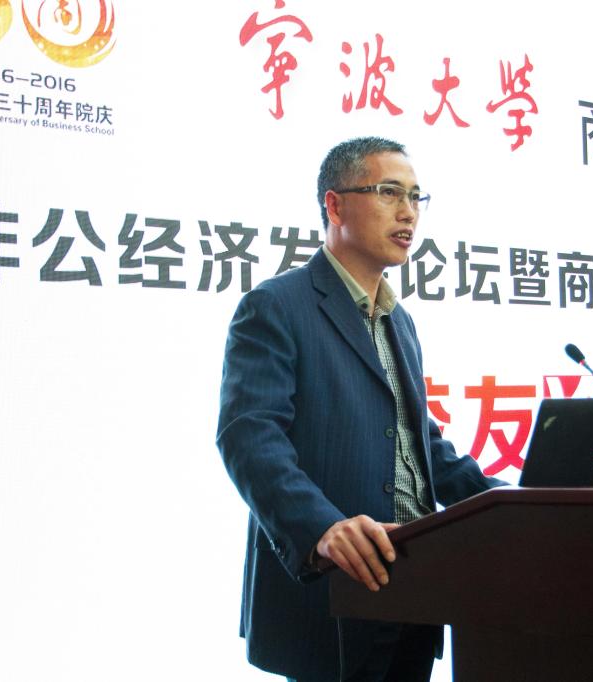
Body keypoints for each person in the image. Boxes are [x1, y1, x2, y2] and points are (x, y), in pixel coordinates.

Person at [216, 136, 502, 681]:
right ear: (335, 205)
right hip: (335, 589)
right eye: (389, 192)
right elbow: (249, 435)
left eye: (416, 197)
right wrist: (322, 527)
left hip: (415, 584)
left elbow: (421, 445)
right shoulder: (277, 305)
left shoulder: (400, 321)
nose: (408, 212)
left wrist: (513, 502)